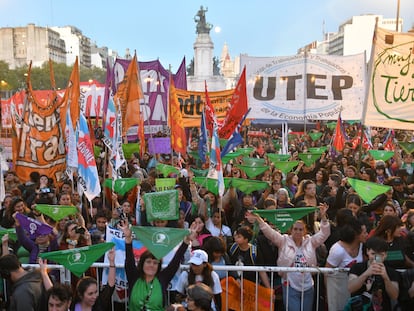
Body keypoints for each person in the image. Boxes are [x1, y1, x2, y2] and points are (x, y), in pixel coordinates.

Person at [245, 203, 330, 311]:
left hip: (308, 286)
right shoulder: (283, 241)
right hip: (290, 285)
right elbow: (269, 232)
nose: (298, 232)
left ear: (305, 231)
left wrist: (323, 217)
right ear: (291, 230)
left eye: (300, 229)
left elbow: (325, 234)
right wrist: (259, 218)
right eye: (295, 229)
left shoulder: (311, 241)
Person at [119, 219, 192, 310]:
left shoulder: (163, 278)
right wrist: (128, 238)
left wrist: (187, 240)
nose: (151, 265)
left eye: (155, 263)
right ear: (142, 263)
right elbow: (129, 260)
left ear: (158, 266)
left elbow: (176, 261)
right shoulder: (134, 276)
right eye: (148, 262)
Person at [347, 237, 399, 311]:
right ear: (367, 251)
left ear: (386, 255)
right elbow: (351, 288)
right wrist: (366, 273)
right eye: (373, 254)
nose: (376, 258)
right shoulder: (357, 267)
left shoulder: (391, 271)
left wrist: (386, 278)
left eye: (381, 255)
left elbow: (394, 296)